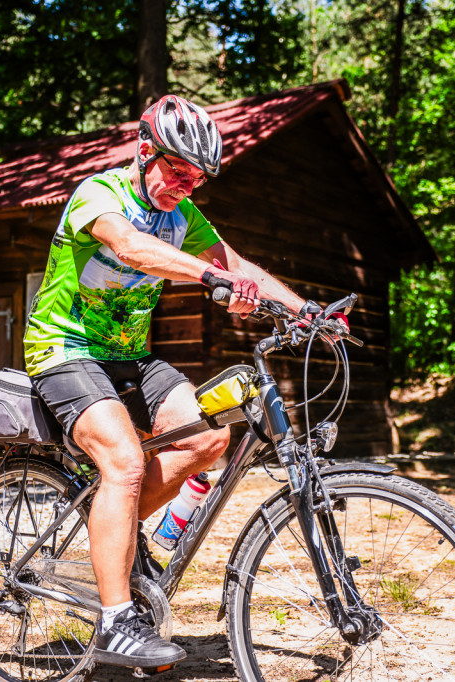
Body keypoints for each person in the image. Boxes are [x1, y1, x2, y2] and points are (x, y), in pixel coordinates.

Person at [23, 95, 317, 669]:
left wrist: (307, 310)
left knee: (209, 437)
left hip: (131, 356)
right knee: (126, 462)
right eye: (176, 170)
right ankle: (114, 623)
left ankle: (113, 534)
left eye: (196, 179)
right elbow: (133, 248)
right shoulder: (100, 194)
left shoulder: (185, 214)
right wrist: (209, 276)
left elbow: (239, 265)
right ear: (146, 150)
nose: (184, 185)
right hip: (63, 349)